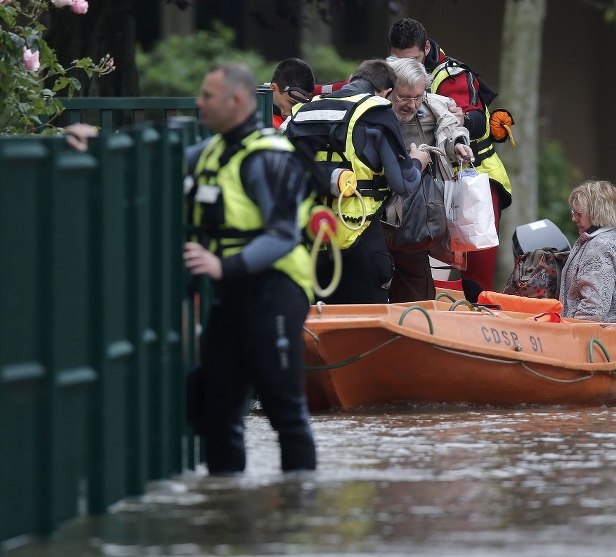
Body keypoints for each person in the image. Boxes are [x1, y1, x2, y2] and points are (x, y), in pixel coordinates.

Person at [184, 62, 316, 475]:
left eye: (207, 96)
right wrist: (91, 140)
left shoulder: (269, 158)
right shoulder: (209, 153)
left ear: (236, 101)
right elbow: (152, 157)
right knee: (218, 409)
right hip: (232, 293)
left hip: (276, 291)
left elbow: (282, 236)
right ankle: (226, 518)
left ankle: (298, 520)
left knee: (285, 410)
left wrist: (222, 266)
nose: (198, 102)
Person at [389, 17, 513, 303]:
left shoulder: (453, 75)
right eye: (396, 62)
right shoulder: (387, 74)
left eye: (413, 61)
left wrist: (462, 120)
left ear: (426, 49)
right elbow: (351, 86)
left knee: (475, 276)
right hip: (424, 180)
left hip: (470, 180)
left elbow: (479, 121)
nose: (403, 70)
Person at [286, 59, 431, 304]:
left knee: (316, 329)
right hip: (358, 234)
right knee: (366, 332)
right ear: (387, 91)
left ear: (353, 78)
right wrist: (418, 161)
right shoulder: (376, 112)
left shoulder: (305, 110)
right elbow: (403, 183)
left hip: (309, 236)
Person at [385, 56, 474, 302]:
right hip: (376, 213)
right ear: (388, 89)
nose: (412, 105)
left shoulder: (433, 106)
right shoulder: (372, 109)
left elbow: (451, 128)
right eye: (404, 97)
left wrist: (457, 145)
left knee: (417, 290)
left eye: (417, 97)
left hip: (417, 216)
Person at [559, 180, 616, 323]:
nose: (573, 218)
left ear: (596, 213)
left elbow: (593, 311)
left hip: (604, 337)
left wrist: (568, 336)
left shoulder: (600, 246)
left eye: (578, 214)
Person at [269, 58, 315, 132]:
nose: (295, 110)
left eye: (301, 106)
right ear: (273, 89)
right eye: (292, 103)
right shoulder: (254, 118)